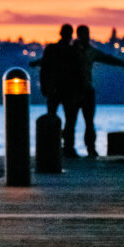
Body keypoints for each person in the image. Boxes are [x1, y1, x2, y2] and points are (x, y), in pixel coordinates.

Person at [68, 25, 124, 157]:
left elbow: (107, 58)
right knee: (73, 122)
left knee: (87, 122)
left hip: (85, 90)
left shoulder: (87, 51)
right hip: (75, 91)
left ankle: (90, 148)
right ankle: (71, 148)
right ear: (79, 35)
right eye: (85, 34)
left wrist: (122, 63)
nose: (87, 37)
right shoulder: (73, 51)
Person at [29, 24, 82, 156]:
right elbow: (78, 73)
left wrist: (44, 87)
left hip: (55, 90)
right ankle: (68, 147)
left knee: (53, 119)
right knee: (70, 120)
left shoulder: (52, 49)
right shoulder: (73, 52)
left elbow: (44, 69)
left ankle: (52, 146)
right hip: (67, 90)